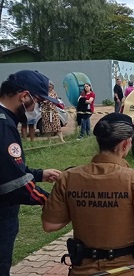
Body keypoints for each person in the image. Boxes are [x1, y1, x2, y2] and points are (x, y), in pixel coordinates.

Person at [41, 113, 134, 275]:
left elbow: (50, 225)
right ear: (125, 143)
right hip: (126, 270)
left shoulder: (68, 177)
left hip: (82, 270)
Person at [0, 70, 61, 275]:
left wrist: (39, 174)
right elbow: (13, 182)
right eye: (38, 102)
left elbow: (7, 167)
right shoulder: (3, 126)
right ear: (24, 96)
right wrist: (51, 200)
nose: (37, 109)